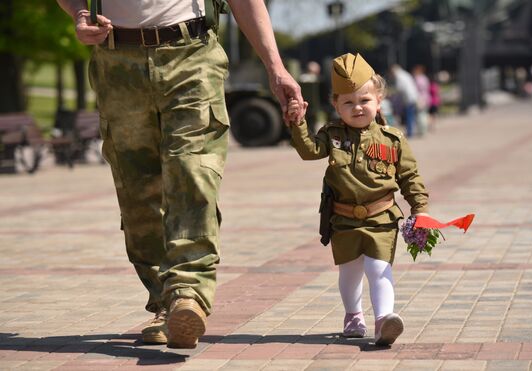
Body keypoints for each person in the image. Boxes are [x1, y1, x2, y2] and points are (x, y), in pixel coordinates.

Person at [56, 0, 303, 349]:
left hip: (191, 55)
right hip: (116, 64)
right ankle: (165, 302)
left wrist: (276, 67)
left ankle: (188, 293)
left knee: (191, 171)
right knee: (137, 193)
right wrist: (80, 13)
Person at [287, 53, 430, 346]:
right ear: (336, 105)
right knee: (350, 270)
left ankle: (383, 321)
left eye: (364, 100)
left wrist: (421, 209)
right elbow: (309, 150)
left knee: (379, 268)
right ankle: (353, 316)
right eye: (348, 102)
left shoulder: (393, 140)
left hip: (382, 218)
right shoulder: (332, 135)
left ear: (379, 101)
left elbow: (410, 178)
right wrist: (298, 122)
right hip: (344, 219)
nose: (357, 108)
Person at [390, 64, 418, 138]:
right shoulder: (405, 74)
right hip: (413, 96)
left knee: (409, 115)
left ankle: (410, 133)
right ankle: (410, 131)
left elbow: (400, 88)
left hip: (408, 98)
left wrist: (393, 94)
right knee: (411, 115)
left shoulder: (399, 76)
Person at [412, 65, 430, 137]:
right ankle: (424, 130)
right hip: (426, 98)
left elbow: (415, 89)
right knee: (424, 114)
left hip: (420, 99)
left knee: (420, 115)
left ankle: (422, 130)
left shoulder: (417, 79)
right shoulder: (425, 78)